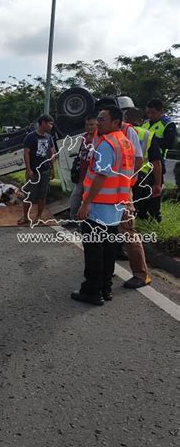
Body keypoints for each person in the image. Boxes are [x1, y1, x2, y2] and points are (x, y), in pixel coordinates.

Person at [71, 106, 134, 306]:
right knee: (107, 249)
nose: (99, 122)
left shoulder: (107, 144)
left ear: (116, 122)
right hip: (114, 207)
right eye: (98, 119)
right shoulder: (125, 143)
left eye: (103, 119)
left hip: (98, 206)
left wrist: (86, 204)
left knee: (93, 251)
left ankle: (92, 291)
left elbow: (100, 176)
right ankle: (105, 289)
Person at [116, 108, 162, 289]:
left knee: (128, 228)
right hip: (134, 181)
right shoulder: (143, 133)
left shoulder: (130, 132)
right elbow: (156, 161)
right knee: (116, 228)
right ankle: (111, 261)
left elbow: (146, 159)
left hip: (132, 183)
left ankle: (141, 274)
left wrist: (155, 183)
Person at [141, 99, 177, 221]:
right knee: (141, 192)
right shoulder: (145, 124)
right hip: (143, 164)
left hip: (158, 162)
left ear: (161, 111)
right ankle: (141, 216)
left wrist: (152, 141)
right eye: (148, 113)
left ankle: (155, 217)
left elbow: (170, 143)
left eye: (153, 113)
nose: (150, 115)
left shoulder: (168, 124)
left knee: (155, 193)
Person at [18, 114, 55, 226]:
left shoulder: (49, 137)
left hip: (45, 171)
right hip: (34, 171)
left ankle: (38, 217)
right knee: (28, 195)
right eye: (49, 123)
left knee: (42, 195)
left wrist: (52, 168)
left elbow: (51, 152)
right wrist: (28, 169)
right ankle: (25, 217)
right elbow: (26, 153)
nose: (51, 126)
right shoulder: (31, 137)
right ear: (43, 123)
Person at [68, 115, 97, 221]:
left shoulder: (99, 139)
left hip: (92, 176)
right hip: (81, 174)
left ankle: (85, 222)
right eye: (87, 125)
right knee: (75, 196)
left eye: (91, 125)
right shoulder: (84, 137)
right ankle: (73, 218)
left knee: (88, 200)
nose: (89, 127)